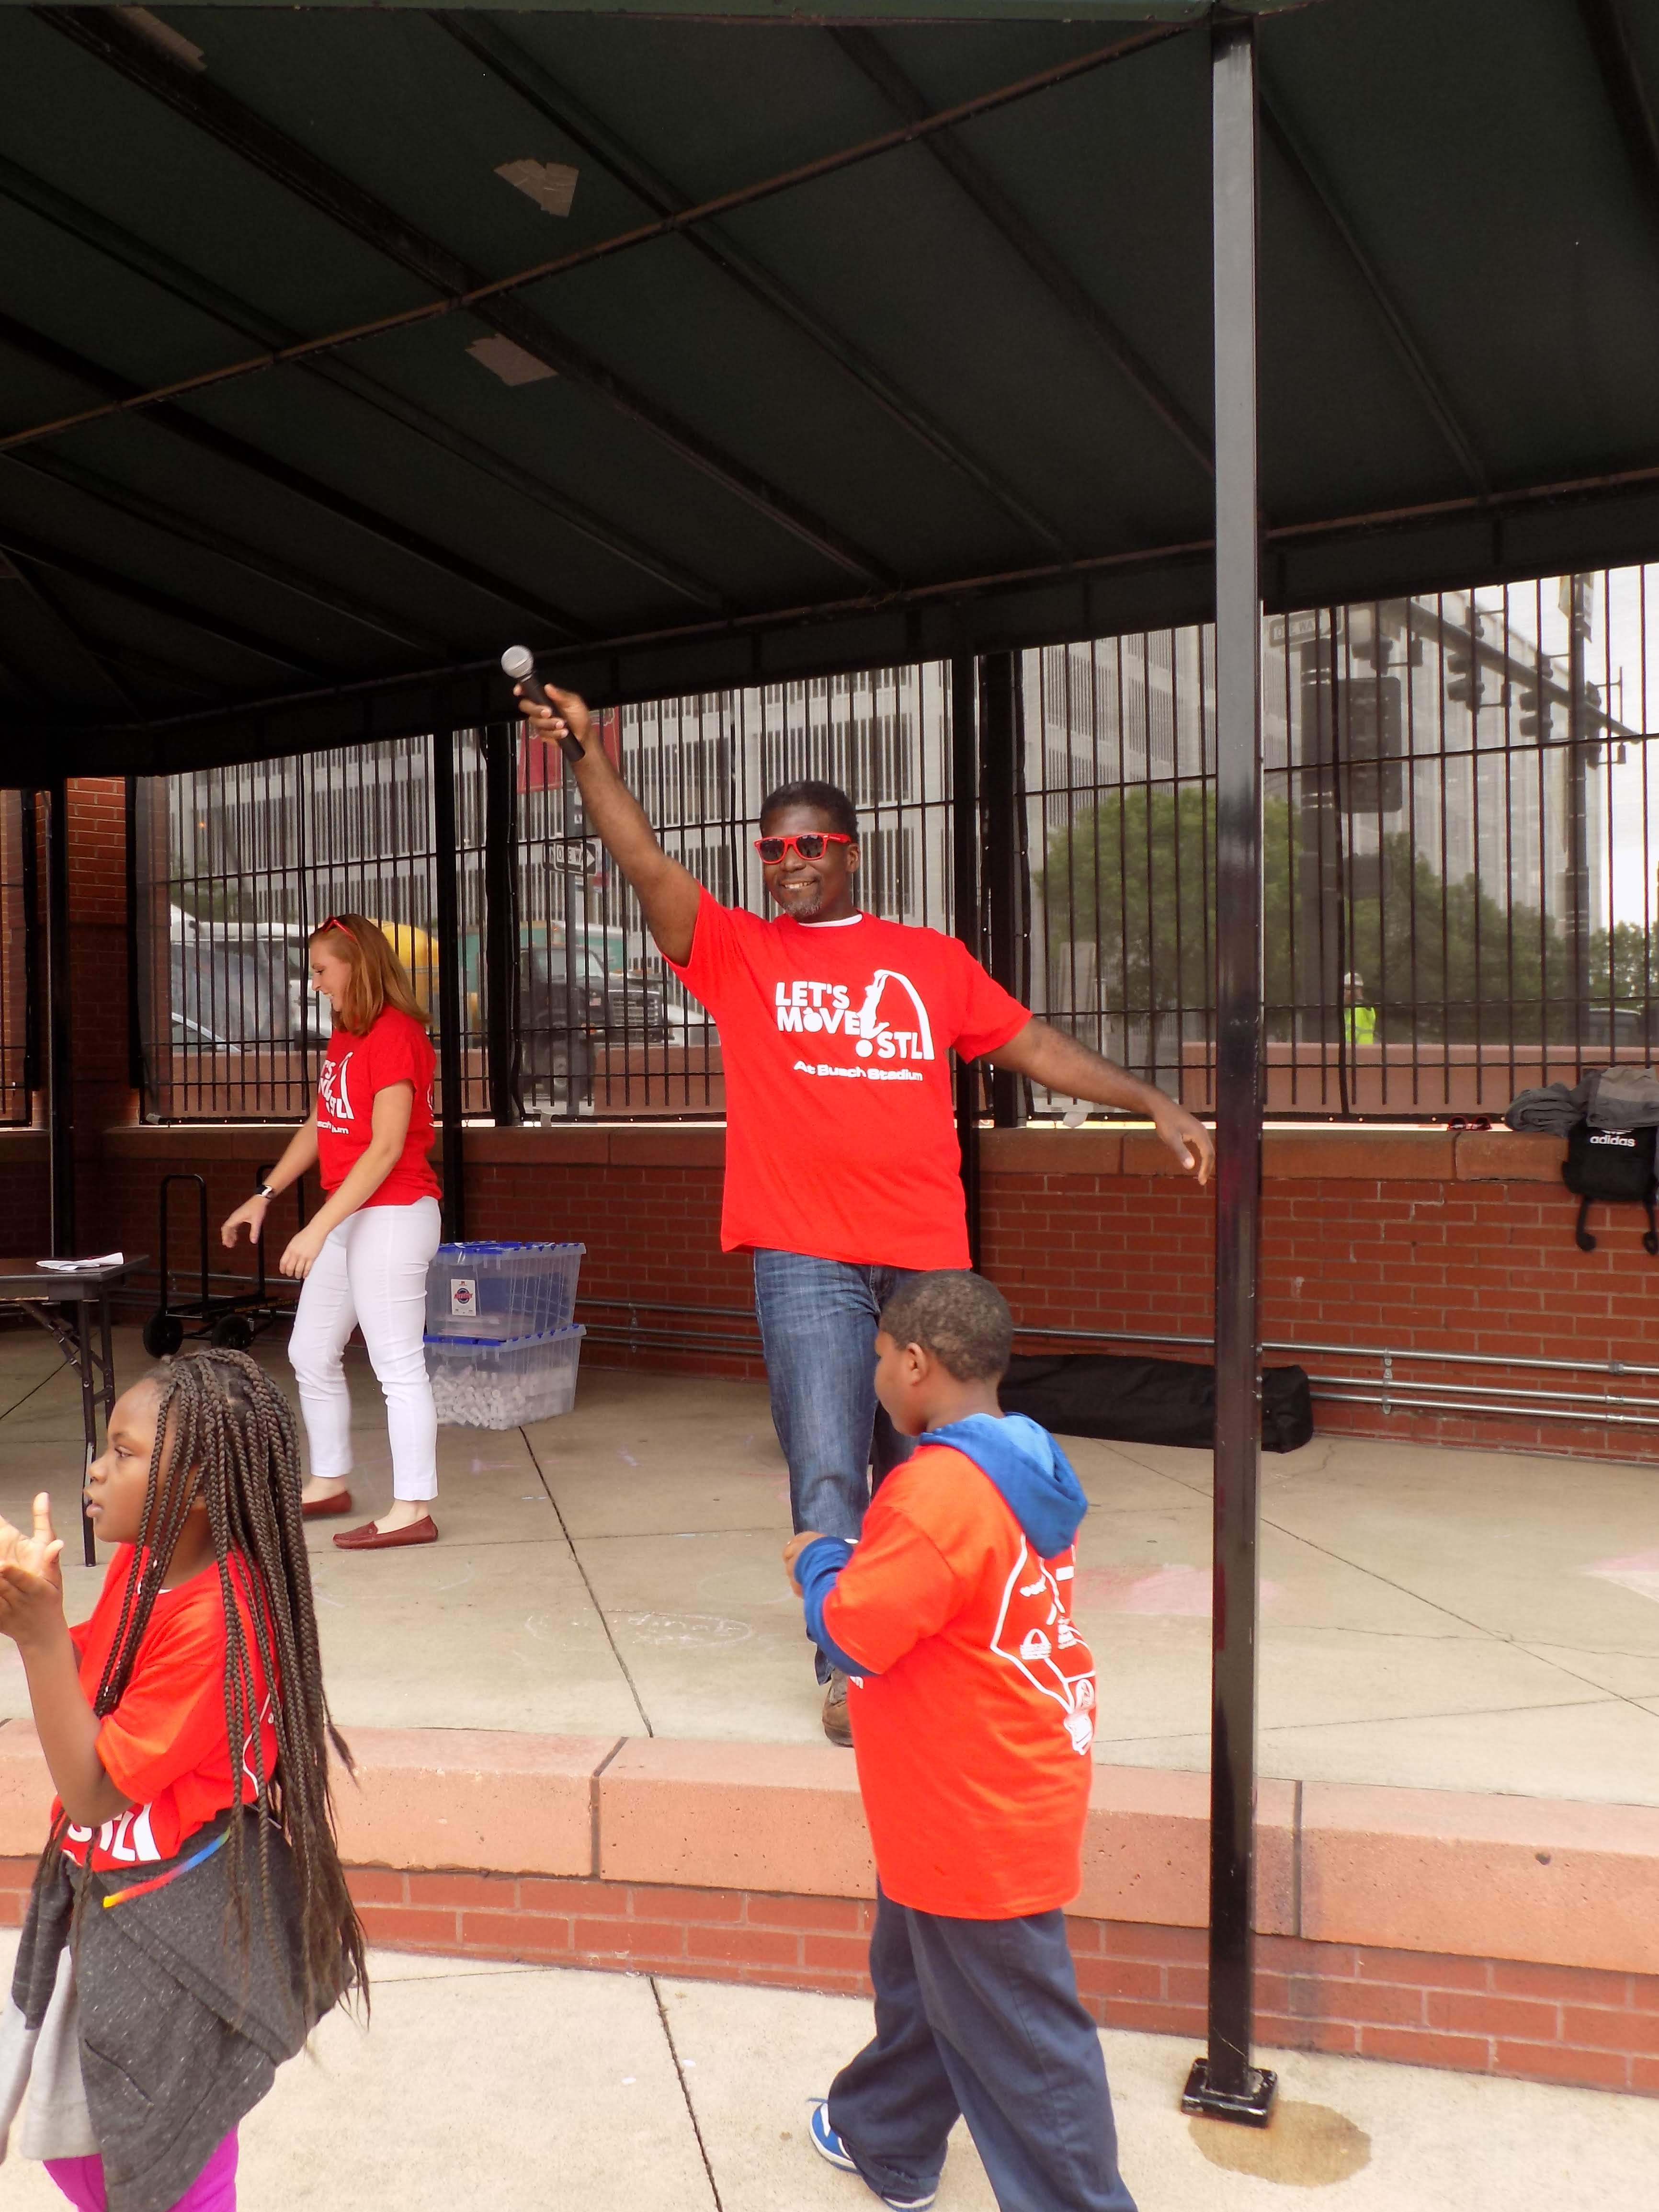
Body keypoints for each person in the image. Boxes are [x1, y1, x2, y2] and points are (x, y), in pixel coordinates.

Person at [517, 680, 1213, 1742]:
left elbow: (1032, 1044)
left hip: (925, 1257)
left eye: (810, 845)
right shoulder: (739, 953)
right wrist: (582, 753)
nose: (789, 863)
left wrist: (1149, 1098)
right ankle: (848, 1660)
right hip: (802, 1251)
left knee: (928, 1460)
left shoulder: (926, 959)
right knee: (828, 1454)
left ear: (850, 852)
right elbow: (645, 861)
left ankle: (920, 1624)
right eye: (772, 851)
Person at [782, 1271, 1132, 2212]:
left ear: (914, 1361)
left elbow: (856, 1629)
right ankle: (888, 2135)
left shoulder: (935, 1487)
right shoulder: (1019, 1458)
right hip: (978, 1788)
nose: (874, 1380)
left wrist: (818, 1556)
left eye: (876, 1360)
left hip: (967, 1809)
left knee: (1025, 2039)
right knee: (921, 1981)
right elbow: (936, 1596)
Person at [0, 1347, 367, 2211]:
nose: (96, 1465)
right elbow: (95, 1687)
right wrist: (39, 1612)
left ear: (199, 1483)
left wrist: (40, 1640)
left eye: (124, 1452)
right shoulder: (151, 1558)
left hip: (177, 1928)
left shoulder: (224, 1620)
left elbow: (95, 1788)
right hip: (108, 1894)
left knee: (171, 2159)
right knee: (86, 2149)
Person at [221, 914, 443, 1551]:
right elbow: (324, 1123)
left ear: (357, 964)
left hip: (394, 1214)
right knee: (310, 1351)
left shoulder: (396, 1035)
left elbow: (386, 1148)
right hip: (353, 1217)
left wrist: (317, 1228)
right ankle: (329, 1481)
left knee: (397, 1365)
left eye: (322, 970)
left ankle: (413, 1508)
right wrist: (265, 1195)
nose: (315, 983)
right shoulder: (347, 1035)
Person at [1342, 972, 1376, 1047]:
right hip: (1349, 1050)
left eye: (1350, 988)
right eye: (1346, 988)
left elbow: (1368, 1008)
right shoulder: (1347, 1009)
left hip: (1364, 1050)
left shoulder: (1365, 1008)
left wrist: (1359, 997)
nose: (1347, 992)